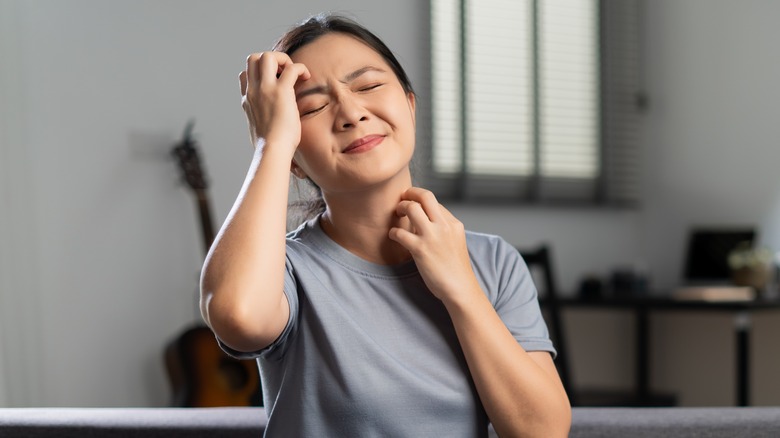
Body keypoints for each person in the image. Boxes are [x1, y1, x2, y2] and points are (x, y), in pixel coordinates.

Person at [199, 13, 571, 437]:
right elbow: (237, 315)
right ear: (295, 161)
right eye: (314, 107)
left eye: (369, 86)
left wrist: (460, 287)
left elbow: (542, 432)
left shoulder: (494, 262)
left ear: (410, 106)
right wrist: (272, 143)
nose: (351, 113)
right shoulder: (286, 273)